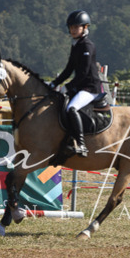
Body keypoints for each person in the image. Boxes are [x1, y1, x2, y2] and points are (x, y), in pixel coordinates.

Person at [51, 10, 104, 157]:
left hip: (90, 87)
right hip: (81, 86)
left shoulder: (87, 46)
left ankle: (81, 144)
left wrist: (67, 87)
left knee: (71, 108)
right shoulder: (76, 45)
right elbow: (69, 70)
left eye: (76, 27)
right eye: (71, 27)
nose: (73, 30)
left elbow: (83, 73)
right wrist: (54, 83)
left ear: (85, 27)